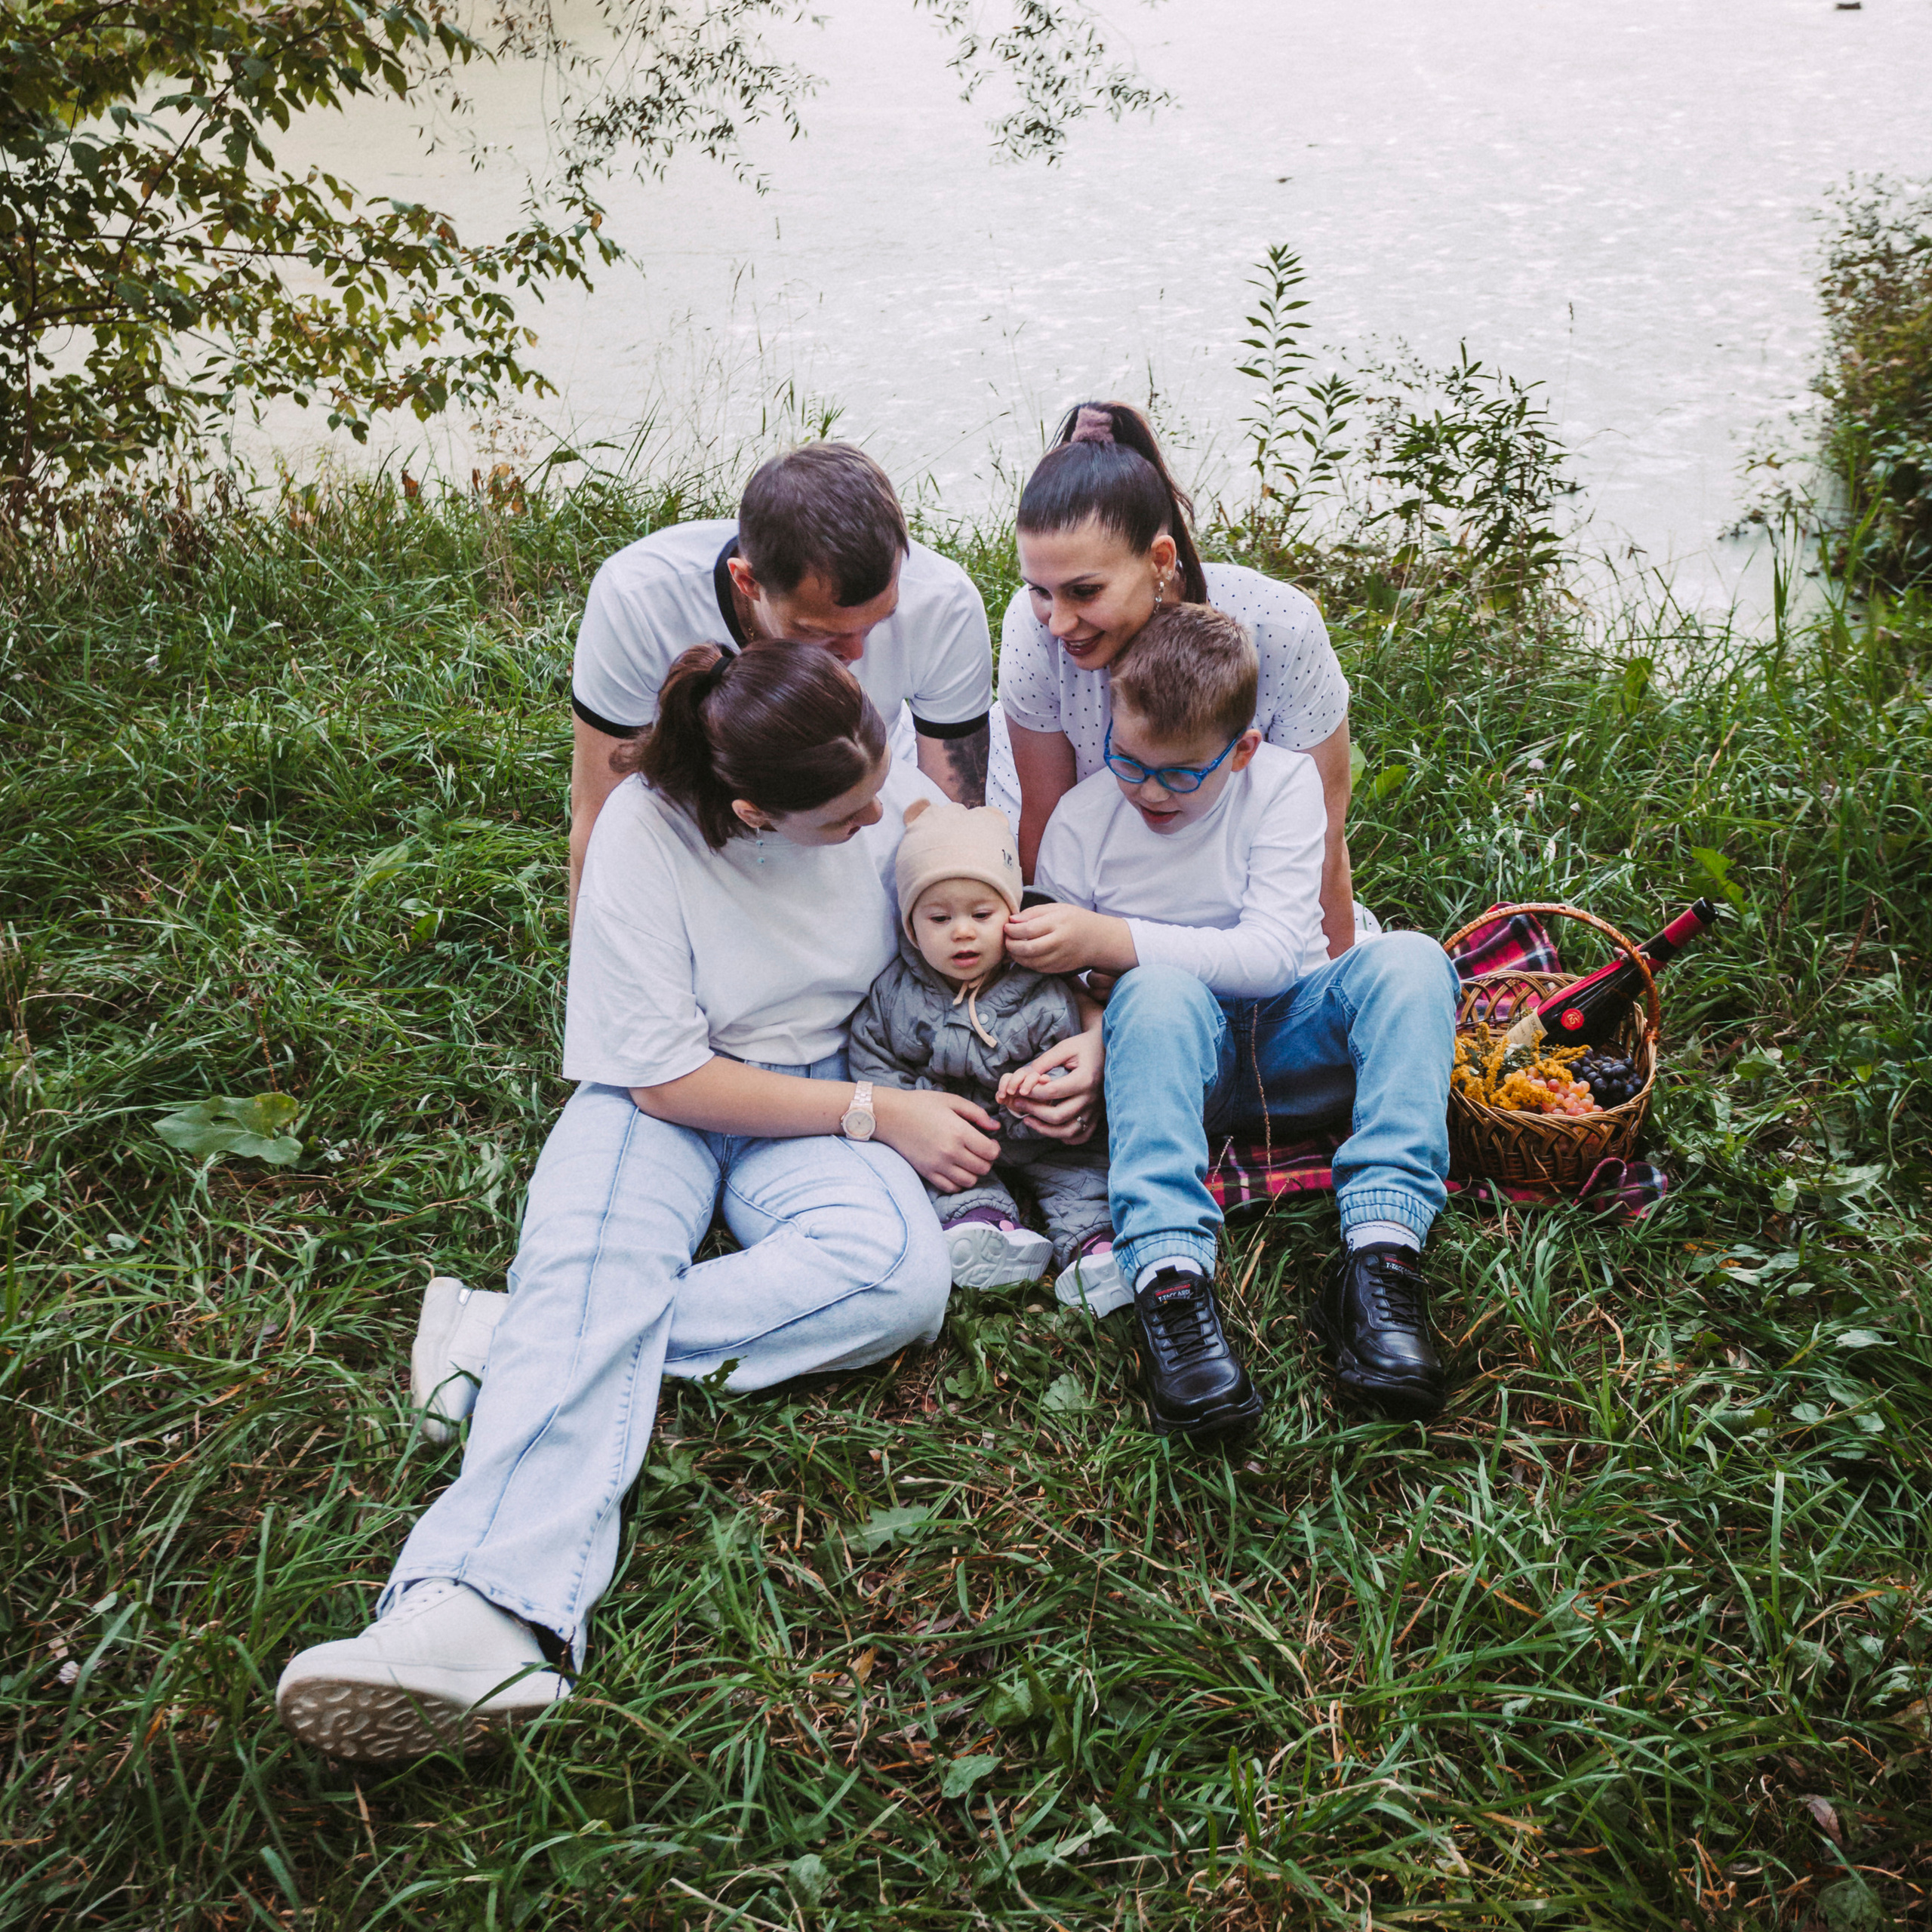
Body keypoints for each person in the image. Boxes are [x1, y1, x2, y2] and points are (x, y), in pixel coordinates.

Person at [276, 642, 1003, 1763]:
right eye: (848, 819)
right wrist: (881, 1116)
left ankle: (501, 1340)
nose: (878, 824)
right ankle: (472, 1611)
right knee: (594, 1267)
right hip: (661, 1096)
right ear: (755, 811)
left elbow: (969, 857)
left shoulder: (866, 769)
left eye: (880, 794)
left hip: (815, 1079)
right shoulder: (642, 836)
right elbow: (666, 1075)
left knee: (899, 1282)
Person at [1005, 605, 1459, 1439]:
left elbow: (1274, 958)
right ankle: (1171, 1280)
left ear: (1242, 749)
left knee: (1415, 960)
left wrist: (1113, 939)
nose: (1146, 790)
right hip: (1176, 1068)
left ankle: (1381, 1254)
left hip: (1294, 1038)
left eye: (1180, 775)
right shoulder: (1082, 819)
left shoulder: (1282, 786)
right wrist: (1098, 1030)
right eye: (1127, 760)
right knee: (1155, 994)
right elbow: (1072, 986)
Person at [992, 401, 1358, 958]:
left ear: (1160, 559)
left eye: (1085, 591)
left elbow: (1326, 840)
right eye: (1040, 590)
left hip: (1249, 902)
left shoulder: (1279, 626)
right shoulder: (1032, 627)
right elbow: (1046, 827)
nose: (1059, 623)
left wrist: (1333, 989)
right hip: (1107, 897)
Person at [569, 441, 993, 920]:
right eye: (818, 632)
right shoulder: (638, 600)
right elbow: (600, 823)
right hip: (695, 833)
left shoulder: (945, 604)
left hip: (849, 815)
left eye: (880, 621)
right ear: (747, 582)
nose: (854, 656)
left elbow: (957, 822)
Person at [848, 798, 1115, 1304]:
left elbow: (1074, 1060)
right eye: (940, 917)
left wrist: (1046, 1091)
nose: (963, 931)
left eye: (981, 914)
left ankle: (1095, 1251)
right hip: (954, 1142)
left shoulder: (1042, 986)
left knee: (1082, 1178)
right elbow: (873, 1061)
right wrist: (920, 1104)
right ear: (911, 928)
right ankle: (984, 1229)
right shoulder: (896, 995)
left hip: (1043, 1139)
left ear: (1012, 915)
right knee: (948, 1178)